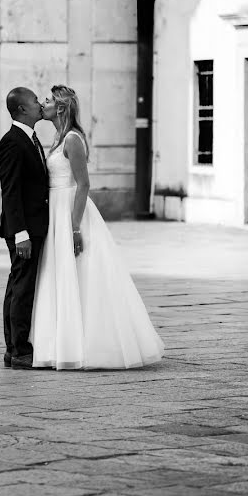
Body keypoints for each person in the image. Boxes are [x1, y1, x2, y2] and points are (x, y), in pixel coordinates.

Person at [30, 85, 164, 369]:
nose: (43, 103)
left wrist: (75, 227)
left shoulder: (72, 139)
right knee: (60, 276)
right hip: (55, 209)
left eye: (48, 100)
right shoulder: (56, 137)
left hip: (70, 211)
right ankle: (61, 343)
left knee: (78, 274)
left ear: (61, 108)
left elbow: (84, 184)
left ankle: (85, 345)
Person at [0, 87, 50, 370]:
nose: (40, 104)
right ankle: (18, 350)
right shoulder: (12, 142)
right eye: (35, 101)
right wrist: (21, 235)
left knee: (18, 286)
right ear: (22, 110)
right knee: (22, 289)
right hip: (24, 231)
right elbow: (11, 193)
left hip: (33, 227)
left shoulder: (30, 138)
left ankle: (13, 348)